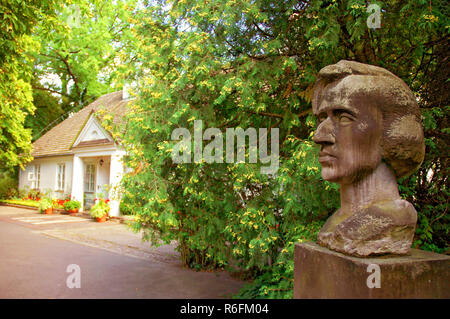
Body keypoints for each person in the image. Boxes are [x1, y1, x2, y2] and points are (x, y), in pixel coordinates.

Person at [312, 60, 425, 257]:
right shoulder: (334, 225)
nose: (319, 136)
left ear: (392, 131)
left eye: (344, 117)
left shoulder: (394, 220)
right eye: (322, 119)